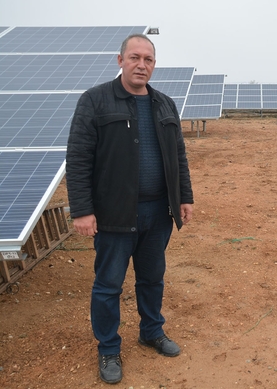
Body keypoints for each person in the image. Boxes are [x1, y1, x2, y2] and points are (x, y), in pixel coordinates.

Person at [66, 34, 194, 384]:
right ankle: (108, 347)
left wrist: (184, 197)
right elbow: (78, 158)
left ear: (154, 65)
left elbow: (178, 156)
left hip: (158, 214)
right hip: (114, 216)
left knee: (152, 278)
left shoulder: (165, 104)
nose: (141, 65)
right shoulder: (95, 101)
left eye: (148, 59)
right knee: (108, 285)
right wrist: (82, 210)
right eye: (134, 57)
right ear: (120, 60)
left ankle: (151, 331)